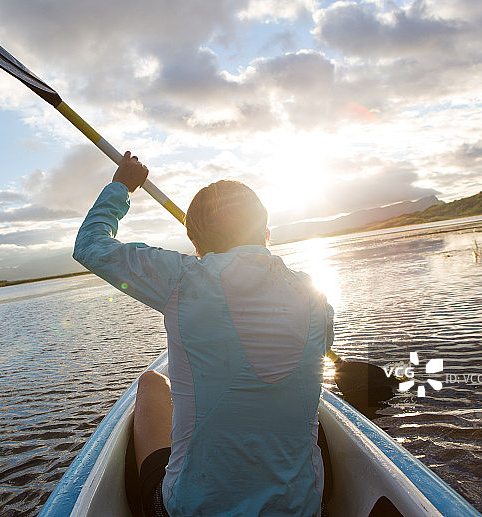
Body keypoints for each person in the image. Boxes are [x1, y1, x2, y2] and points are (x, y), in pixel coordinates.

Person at [73, 152, 334, 516]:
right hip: (302, 509)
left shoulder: (182, 277)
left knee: (151, 383)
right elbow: (323, 348)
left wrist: (122, 186)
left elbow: (89, 246)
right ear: (267, 233)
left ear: (195, 244)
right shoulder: (314, 295)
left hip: (193, 510)